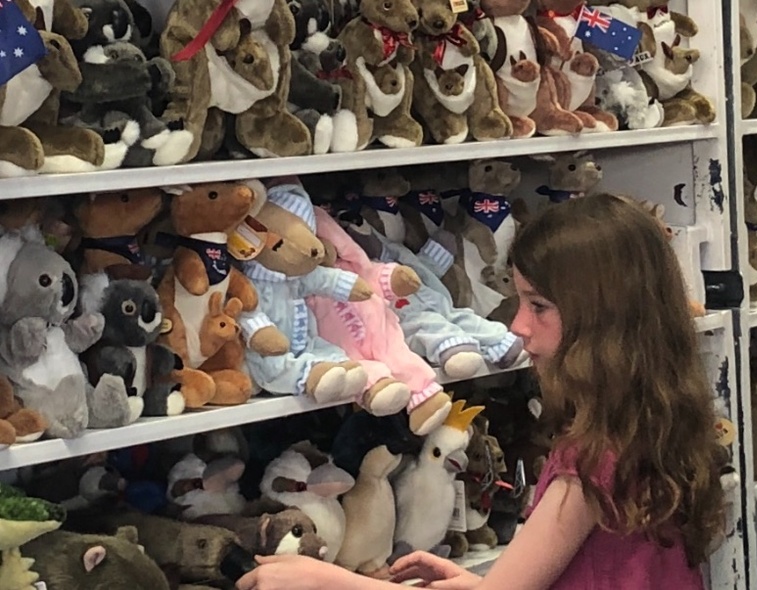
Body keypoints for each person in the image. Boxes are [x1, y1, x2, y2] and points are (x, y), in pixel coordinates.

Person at [235, 193, 726, 590]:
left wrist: (325, 581)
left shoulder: (592, 458)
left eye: (538, 306)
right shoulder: (652, 423)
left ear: (602, 319)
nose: (517, 325)